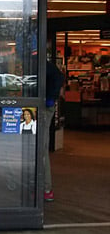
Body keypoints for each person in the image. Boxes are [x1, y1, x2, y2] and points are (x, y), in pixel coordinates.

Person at [42, 59, 65, 202]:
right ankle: (43, 187)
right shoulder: (37, 62)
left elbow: (58, 77)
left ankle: (45, 188)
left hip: (43, 107)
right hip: (40, 105)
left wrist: (50, 98)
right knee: (38, 148)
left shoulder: (40, 63)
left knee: (41, 148)